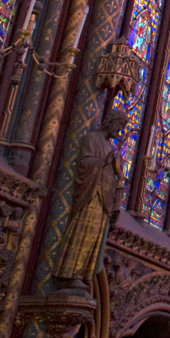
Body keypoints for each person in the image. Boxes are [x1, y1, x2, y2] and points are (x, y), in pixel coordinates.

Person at [53, 108, 127, 291]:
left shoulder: (109, 146)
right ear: (110, 121)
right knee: (82, 232)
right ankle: (71, 273)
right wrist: (103, 162)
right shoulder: (92, 139)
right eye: (119, 125)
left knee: (94, 237)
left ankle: (83, 274)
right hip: (91, 196)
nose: (119, 130)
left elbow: (113, 173)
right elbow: (85, 163)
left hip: (103, 200)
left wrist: (118, 172)